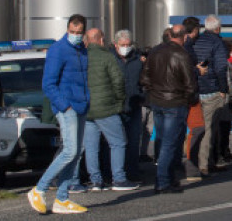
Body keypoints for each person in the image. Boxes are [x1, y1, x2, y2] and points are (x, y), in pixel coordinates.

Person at [27, 14, 90, 215]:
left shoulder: (82, 50)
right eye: (72, 32)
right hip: (67, 106)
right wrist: (65, 106)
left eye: (79, 33)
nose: (75, 36)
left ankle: (62, 198)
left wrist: (85, 101)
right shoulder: (58, 50)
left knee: (77, 151)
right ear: (67, 29)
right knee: (70, 150)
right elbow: (48, 84)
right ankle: (40, 188)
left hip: (80, 105)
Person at [140, 24, 199, 195]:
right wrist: (189, 99)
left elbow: (144, 77)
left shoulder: (156, 51)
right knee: (170, 142)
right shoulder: (182, 54)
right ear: (184, 37)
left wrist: (155, 91)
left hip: (158, 100)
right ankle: (163, 181)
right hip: (175, 102)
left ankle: (168, 177)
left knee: (163, 140)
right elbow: (190, 83)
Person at [77, 28, 138, 191]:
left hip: (88, 108)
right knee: (118, 142)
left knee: (91, 146)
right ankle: (118, 178)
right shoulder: (106, 56)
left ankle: (96, 180)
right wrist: (119, 101)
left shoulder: (81, 56)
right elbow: (118, 81)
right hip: (106, 107)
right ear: (102, 40)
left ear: (87, 41)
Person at [191, 14, 230, 175]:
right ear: (218, 28)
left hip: (196, 89)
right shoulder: (217, 43)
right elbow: (221, 67)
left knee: (197, 127)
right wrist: (223, 89)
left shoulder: (195, 41)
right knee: (209, 129)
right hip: (212, 89)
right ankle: (204, 164)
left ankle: (198, 160)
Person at [114, 29, 145, 181]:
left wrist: (142, 95)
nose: (125, 47)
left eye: (128, 44)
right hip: (116, 107)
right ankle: (115, 173)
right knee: (116, 142)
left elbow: (145, 80)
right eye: (122, 44)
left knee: (133, 141)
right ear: (116, 45)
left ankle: (132, 171)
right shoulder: (111, 59)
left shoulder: (138, 60)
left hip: (134, 105)